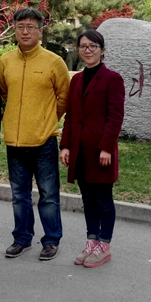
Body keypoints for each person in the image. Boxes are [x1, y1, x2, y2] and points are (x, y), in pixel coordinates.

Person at [0, 8, 69, 261]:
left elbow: (64, 97)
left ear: (40, 30)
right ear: (14, 30)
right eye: (20, 27)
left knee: (48, 195)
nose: (25, 31)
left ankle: (51, 240)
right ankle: (22, 238)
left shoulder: (54, 61)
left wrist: (47, 118)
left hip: (44, 140)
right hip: (15, 142)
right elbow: (4, 93)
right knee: (19, 196)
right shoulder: (6, 61)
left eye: (31, 27)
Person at [59, 30, 125, 268]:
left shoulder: (112, 79)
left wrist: (106, 147)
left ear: (102, 50)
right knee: (87, 198)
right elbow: (70, 116)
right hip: (80, 151)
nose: (88, 50)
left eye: (93, 46)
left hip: (100, 152)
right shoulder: (76, 80)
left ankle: (104, 245)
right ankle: (91, 240)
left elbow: (115, 117)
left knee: (103, 199)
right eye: (83, 46)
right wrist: (65, 146)